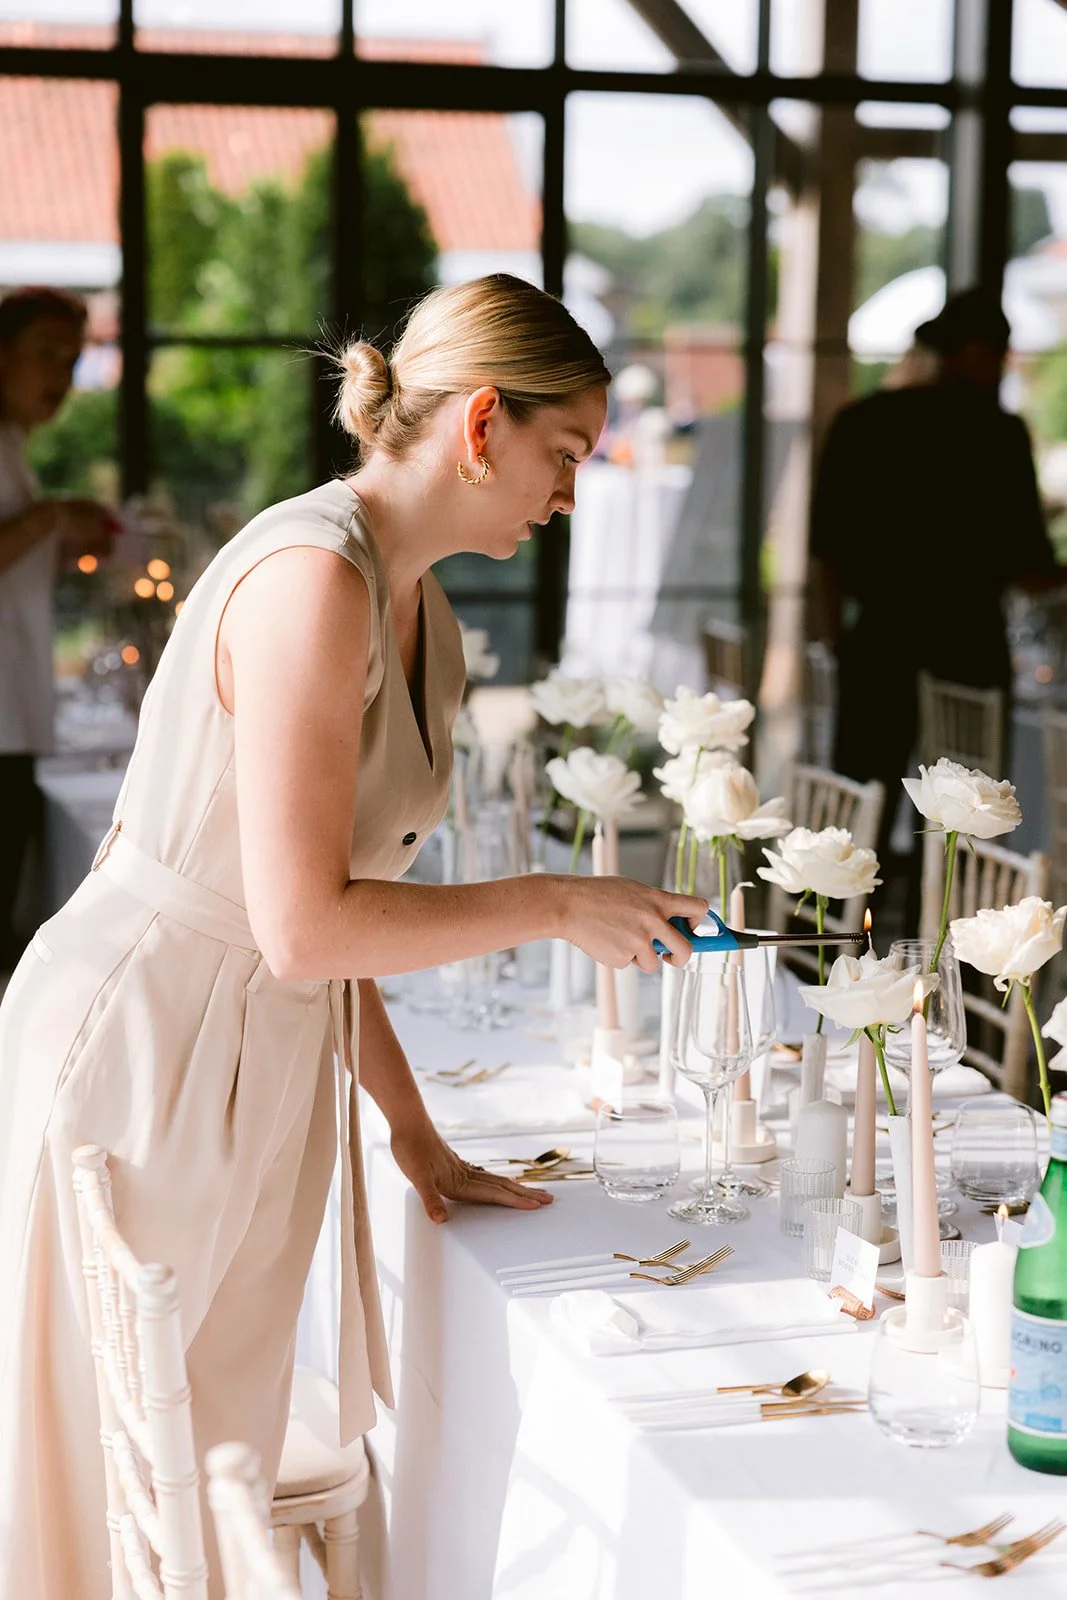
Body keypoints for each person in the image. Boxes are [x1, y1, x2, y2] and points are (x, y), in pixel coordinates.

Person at [0, 273, 706, 1598]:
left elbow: (325, 925)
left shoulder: (420, 605)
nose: (569, 496)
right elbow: (305, 924)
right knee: (122, 1482)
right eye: (563, 454)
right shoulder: (313, 577)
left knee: (207, 1457)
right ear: (482, 422)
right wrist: (557, 902)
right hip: (145, 1052)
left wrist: (416, 1137)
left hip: (255, 1056)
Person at [809, 286, 1060, 871]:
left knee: (857, 825)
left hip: (880, 641)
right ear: (975, 352)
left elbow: (825, 552)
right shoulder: (997, 433)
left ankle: (846, 947)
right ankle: (951, 946)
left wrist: (838, 641)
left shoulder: (863, 422)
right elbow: (1028, 565)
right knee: (967, 821)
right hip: (966, 644)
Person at [0, 286, 116, 970]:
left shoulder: (11, 444)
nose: (61, 379)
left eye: (71, 362)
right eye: (46, 354)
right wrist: (51, 519)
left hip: (16, 715)